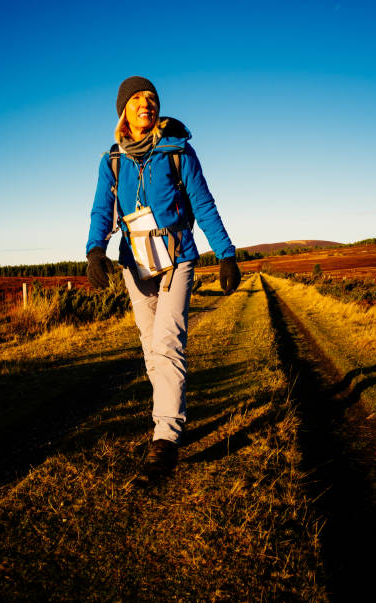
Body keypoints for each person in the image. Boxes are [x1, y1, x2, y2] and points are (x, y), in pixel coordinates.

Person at [86, 76, 241, 478]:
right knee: (151, 347)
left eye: (151, 98)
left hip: (176, 260)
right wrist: (94, 250)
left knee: (168, 342)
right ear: (124, 110)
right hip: (134, 263)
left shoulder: (179, 152)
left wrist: (225, 254)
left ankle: (165, 437)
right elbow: (102, 210)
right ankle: (167, 418)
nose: (146, 103)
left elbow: (204, 204)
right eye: (137, 98)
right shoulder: (112, 161)